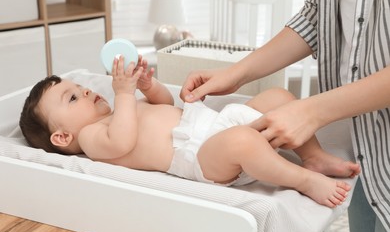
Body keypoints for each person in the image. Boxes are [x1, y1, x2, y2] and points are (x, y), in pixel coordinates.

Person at [180, 0, 390, 232]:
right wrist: (235, 74)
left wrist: (312, 112)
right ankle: (310, 164)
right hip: (367, 140)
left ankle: (307, 170)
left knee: (271, 108)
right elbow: (319, 15)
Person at [19, 55, 360, 208]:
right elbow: (122, 141)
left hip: (215, 123)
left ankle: (313, 157)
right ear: (63, 137)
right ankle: (304, 180)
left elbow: (165, 103)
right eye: (74, 97)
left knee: (280, 99)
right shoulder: (93, 140)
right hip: (202, 156)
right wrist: (124, 94)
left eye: (81, 85)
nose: (89, 91)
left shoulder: (120, 110)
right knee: (243, 142)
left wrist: (149, 89)